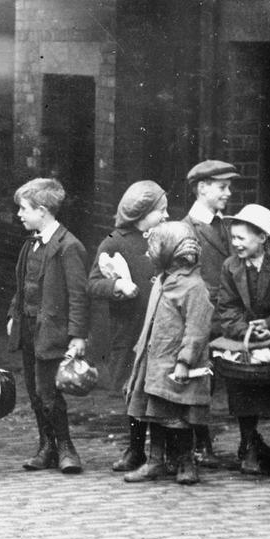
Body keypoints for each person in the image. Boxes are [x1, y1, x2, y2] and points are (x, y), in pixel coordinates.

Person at [7, 178, 89, 474]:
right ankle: (46, 446)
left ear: (42, 210)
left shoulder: (69, 247)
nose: (19, 214)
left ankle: (66, 448)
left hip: (53, 332)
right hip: (30, 329)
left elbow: (79, 295)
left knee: (49, 391)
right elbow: (23, 284)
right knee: (33, 389)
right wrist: (13, 314)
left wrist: (78, 335)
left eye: (23, 209)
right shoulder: (31, 244)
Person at [123, 221, 213, 485]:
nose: (149, 253)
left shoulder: (194, 287)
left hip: (176, 366)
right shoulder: (162, 281)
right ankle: (155, 462)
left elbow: (197, 329)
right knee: (155, 414)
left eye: (154, 247)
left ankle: (186, 463)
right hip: (155, 361)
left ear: (171, 251)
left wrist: (185, 361)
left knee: (180, 417)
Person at [88, 181, 168, 472]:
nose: (166, 215)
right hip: (129, 328)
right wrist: (117, 285)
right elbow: (94, 283)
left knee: (158, 387)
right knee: (133, 389)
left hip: (161, 326)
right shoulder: (114, 240)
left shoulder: (163, 236)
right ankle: (135, 449)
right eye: (161, 210)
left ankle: (162, 453)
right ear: (140, 213)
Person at [216, 204, 270, 476]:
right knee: (243, 390)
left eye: (242, 238)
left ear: (262, 238)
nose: (235, 243)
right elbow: (226, 306)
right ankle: (249, 445)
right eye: (233, 238)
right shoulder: (230, 266)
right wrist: (244, 330)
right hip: (246, 340)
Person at [182, 159, 239, 468]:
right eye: (222, 187)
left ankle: (246, 444)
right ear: (202, 188)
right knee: (202, 382)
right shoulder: (187, 229)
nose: (228, 193)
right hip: (205, 319)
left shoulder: (228, 225)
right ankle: (199, 444)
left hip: (229, 318)